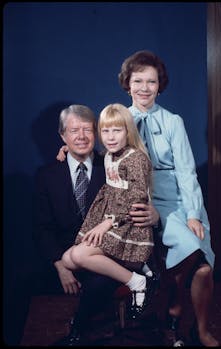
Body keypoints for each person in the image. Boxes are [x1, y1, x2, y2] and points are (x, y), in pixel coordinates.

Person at [33, 103, 160, 346]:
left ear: (95, 132)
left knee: (101, 284)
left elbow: (138, 192)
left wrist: (155, 215)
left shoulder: (113, 162)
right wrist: (60, 265)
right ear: (63, 136)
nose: (81, 137)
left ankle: (78, 332)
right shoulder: (47, 175)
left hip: (114, 251)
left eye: (87, 130)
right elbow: (41, 228)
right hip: (70, 252)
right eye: (73, 131)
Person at [117, 50, 219, 347]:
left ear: (160, 85)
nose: (144, 88)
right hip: (140, 196)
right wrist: (69, 154)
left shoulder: (173, 121)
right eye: (138, 81)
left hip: (177, 197)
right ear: (127, 84)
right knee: (193, 258)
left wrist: (193, 214)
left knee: (202, 264)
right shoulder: (118, 118)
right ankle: (174, 314)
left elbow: (187, 171)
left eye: (152, 82)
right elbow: (106, 156)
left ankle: (191, 326)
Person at [61, 103, 159, 322]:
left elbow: (136, 197)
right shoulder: (109, 156)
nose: (111, 137)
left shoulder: (136, 159)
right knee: (68, 259)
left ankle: (137, 281)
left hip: (128, 226)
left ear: (128, 131)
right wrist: (66, 148)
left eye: (117, 130)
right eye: (105, 131)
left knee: (78, 255)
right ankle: (135, 267)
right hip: (112, 221)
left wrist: (107, 223)